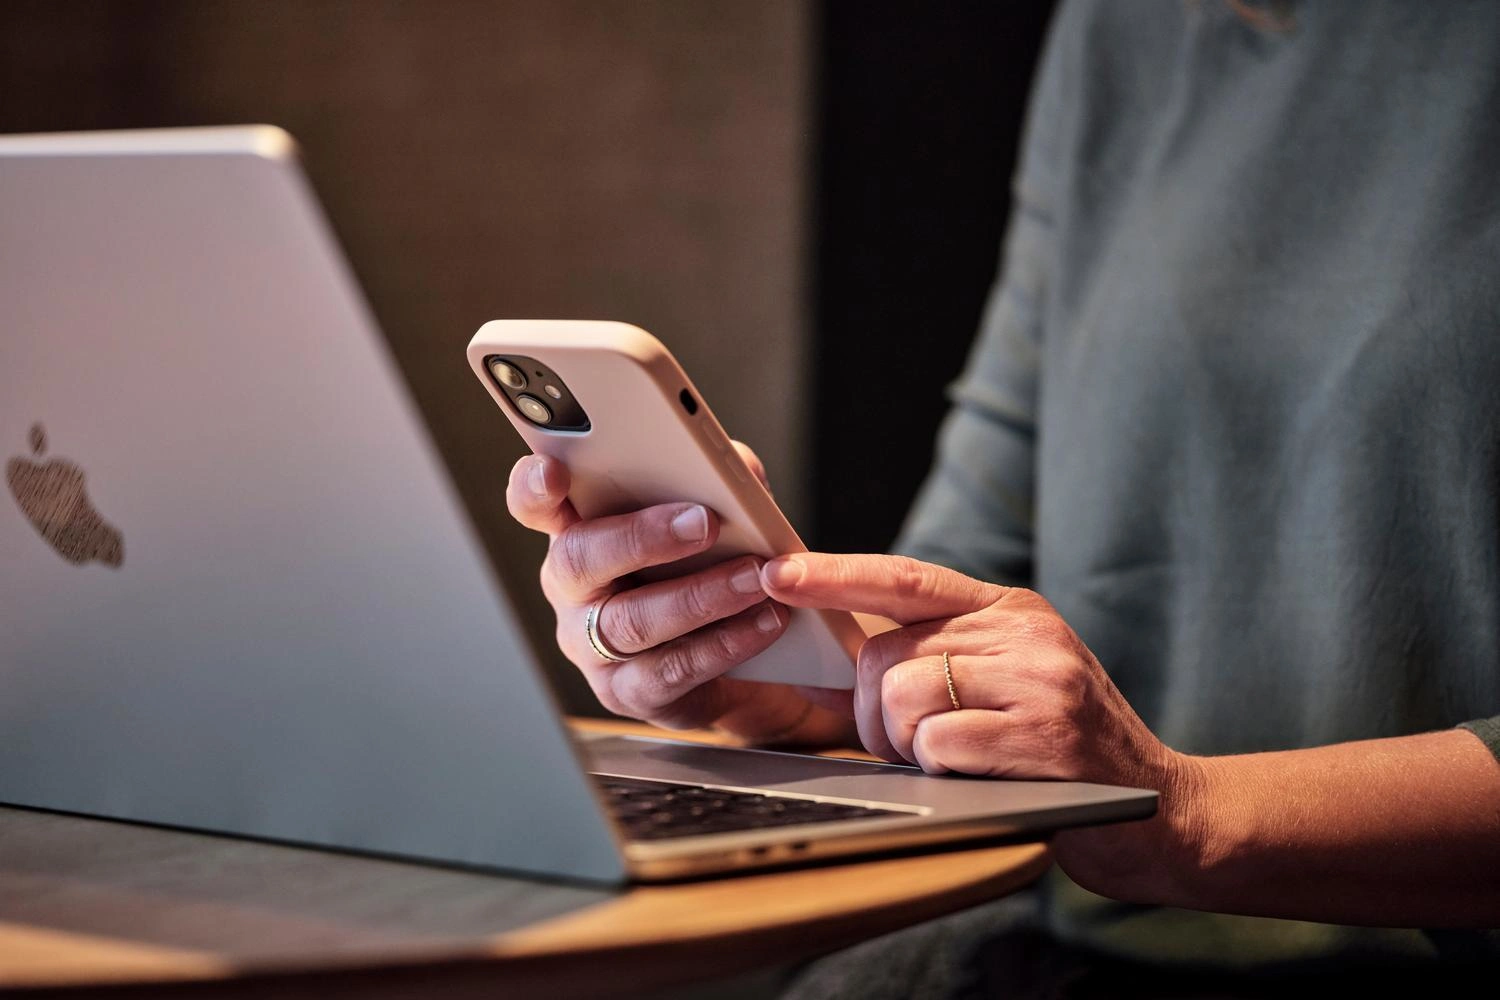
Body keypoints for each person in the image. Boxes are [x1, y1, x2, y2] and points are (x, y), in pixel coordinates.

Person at [507, 0, 1500, 991]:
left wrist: (1181, 810)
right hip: (1080, 941)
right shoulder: (1122, 30)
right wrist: (777, 676)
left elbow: (1153, 800)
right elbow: (968, 565)